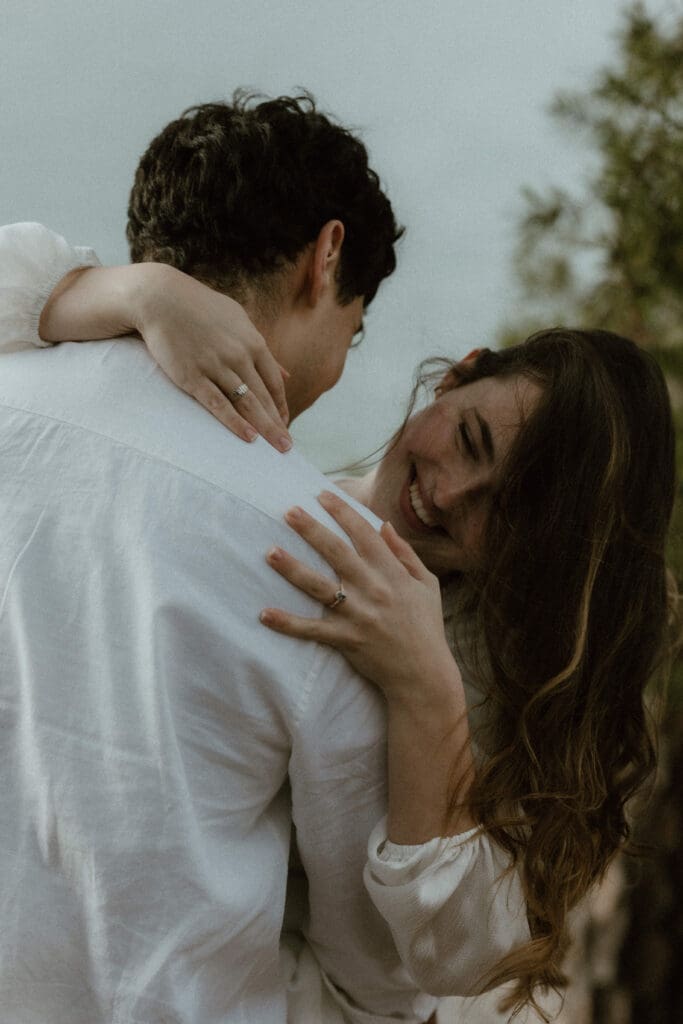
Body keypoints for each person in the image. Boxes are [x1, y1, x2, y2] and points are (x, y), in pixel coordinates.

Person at [1, 222, 676, 1024]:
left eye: (511, 510)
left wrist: (424, 688)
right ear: (455, 377)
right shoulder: (280, 514)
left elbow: (462, 959)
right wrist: (139, 291)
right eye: (467, 438)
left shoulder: (520, 666)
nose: (450, 493)